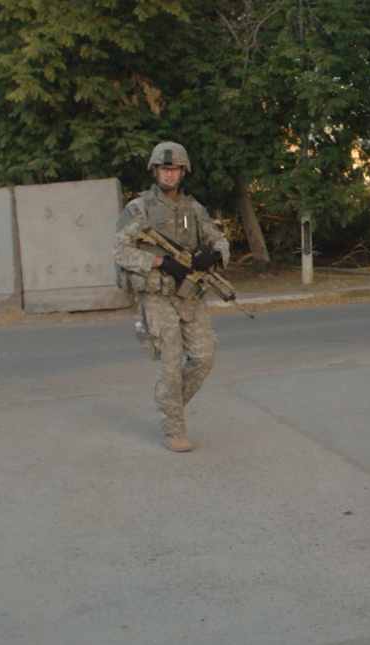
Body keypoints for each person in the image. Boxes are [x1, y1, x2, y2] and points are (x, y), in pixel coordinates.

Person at [114, 141, 230, 453]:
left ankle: (169, 404)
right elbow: (120, 249)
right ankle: (173, 427)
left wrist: (214, 255)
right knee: (171, 364)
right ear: (155, 170)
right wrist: (159, 262)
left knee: (204, 357)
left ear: (183, 172)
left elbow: (218, 238)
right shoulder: (139, 209)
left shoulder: (194, 208)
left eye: (175, 169)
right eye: (165, 169)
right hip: (157, 296)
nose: (169, 174)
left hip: (189, 296)